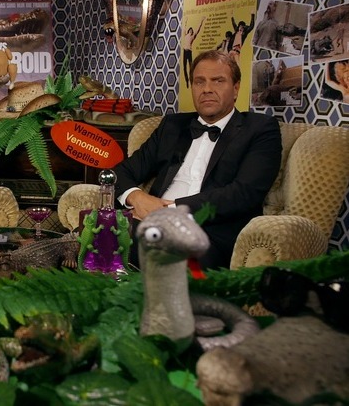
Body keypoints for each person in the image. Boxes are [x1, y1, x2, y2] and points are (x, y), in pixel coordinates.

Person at [113, 50, 282, 270]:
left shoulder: (260, 129)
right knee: (92, 229)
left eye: (218, 81)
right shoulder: (172, 126)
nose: (207, 89)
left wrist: (170, 210)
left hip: (208, 233)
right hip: (147, 221)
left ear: (236, 88)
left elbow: (244, 192)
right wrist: (137, 198)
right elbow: (121, 172)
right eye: (199, 82)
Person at [182, 17, 206, 88]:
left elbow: (198, 29)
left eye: (191, 30)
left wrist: (201, 21)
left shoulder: (193, 36)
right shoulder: (186, 35)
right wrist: (185, 21)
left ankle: (191, 81)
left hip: (189, 52)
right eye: (190, 30)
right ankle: (187, 81)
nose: (191, 31)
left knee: (191, 67)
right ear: (188, 31)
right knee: (184, 67)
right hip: (185, 51)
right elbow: (184, 28)